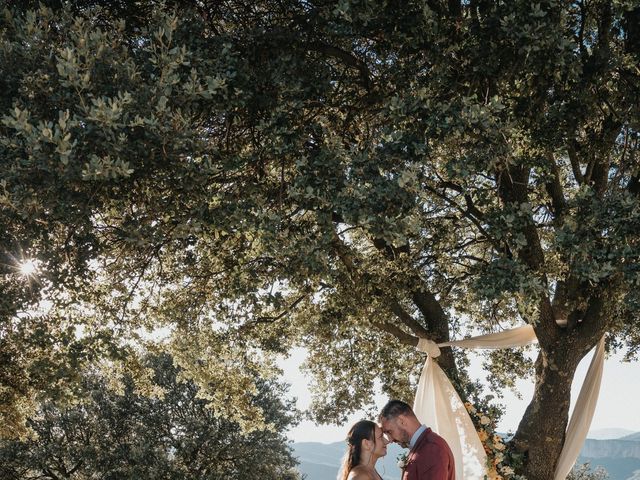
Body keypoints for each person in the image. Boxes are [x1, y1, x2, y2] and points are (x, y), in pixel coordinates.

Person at [378, 400, 455, 480]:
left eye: (390, 432)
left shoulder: (432, 448)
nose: (390, 440)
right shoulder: (423, 446)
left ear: (402, 421)